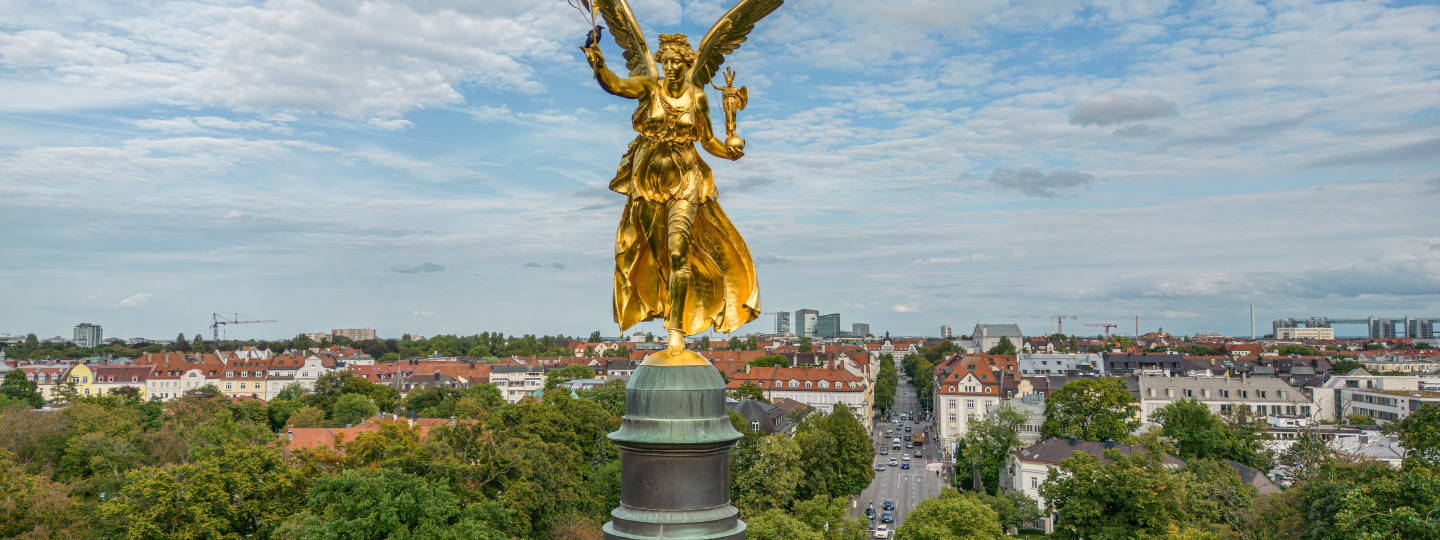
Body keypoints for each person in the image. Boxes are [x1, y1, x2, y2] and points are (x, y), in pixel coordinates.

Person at [582, 33, 759, 353]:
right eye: (668, 61)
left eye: (679, 61)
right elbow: (618, 85)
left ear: (687, 63)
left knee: (678, 252)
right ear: (662, 62)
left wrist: (729, 151)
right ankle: (670, 303)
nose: (673, 66)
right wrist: (599, 64)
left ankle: (676, 330)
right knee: (658, 256)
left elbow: (708, 142)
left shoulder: (698, 98)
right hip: (649, 181)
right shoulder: (651, 89)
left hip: (686, 179)